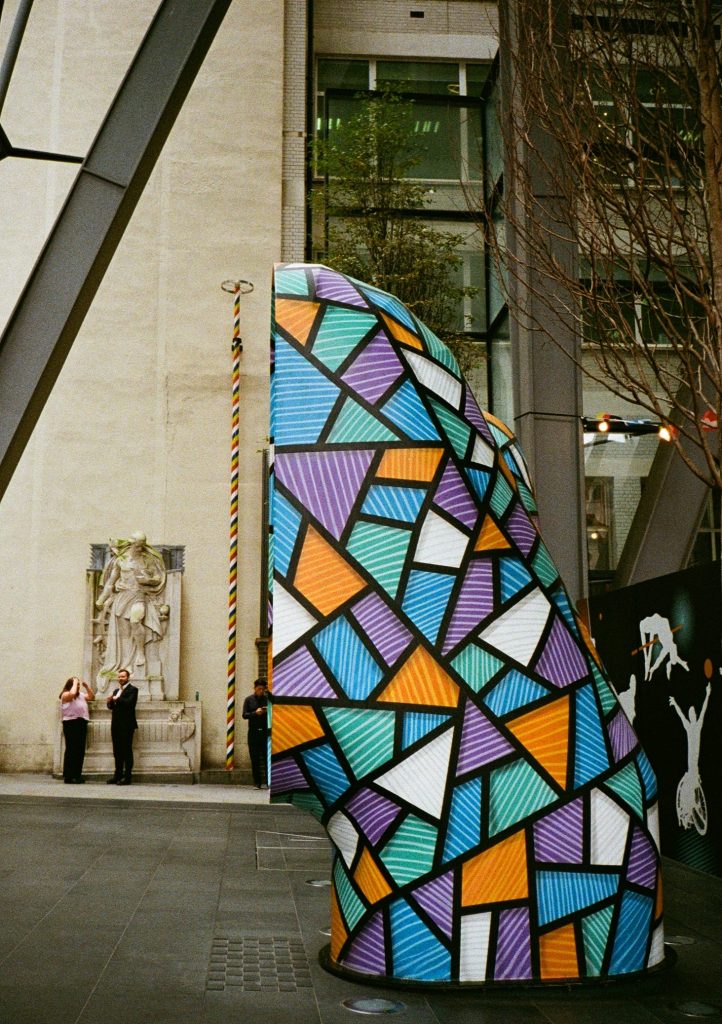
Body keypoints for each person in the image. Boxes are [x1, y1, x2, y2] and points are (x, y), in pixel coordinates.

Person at [95, 532, 167, 691]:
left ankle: (141, 653)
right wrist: (101, 598)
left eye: (142, 545)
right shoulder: (121, 561)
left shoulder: (147, 559)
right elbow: (110, 583)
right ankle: (124, 665)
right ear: (131, 544)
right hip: (122, 598)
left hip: (139, 596)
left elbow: (158, 578)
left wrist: (148, 580)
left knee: (136, 620)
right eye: (137, 545)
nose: (140, 548)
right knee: (124, 636)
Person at [59, 676, 95, 784]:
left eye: (78, 684)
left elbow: (92, 697)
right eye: (76, 684)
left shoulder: (81, 696)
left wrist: (87, 687)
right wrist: (74, 682)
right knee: (72, 749)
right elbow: (72, 694)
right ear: (70, 685)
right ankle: (69, 775)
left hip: (81, 722)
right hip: (71, 723)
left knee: (80, 750)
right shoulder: (65, 695)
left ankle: (77, 774)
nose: (78, 686)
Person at [106, 668, 139, 785]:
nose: (120, 679)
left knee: (126, 751)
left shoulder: (133, 690)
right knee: (117, 751)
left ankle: (127, 776)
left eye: (123, 677)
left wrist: (117, 699)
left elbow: (130, 703)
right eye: (119, 677)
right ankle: (117, 775)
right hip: (116, 724)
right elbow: (111, 707)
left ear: (128, 678)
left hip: (127, 725)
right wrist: (110, 701)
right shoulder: (116, 691)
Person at [242, 679, 268, 788]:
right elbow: (244, 715)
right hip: (253, 732)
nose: (261, 691)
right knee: (254, 758)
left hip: (265, 732)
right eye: (259, 689)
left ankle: (268, 781)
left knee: (267, 757)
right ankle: (257, 782)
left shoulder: (267, 700)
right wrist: (255, 713)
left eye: (262, 689)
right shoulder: (249, 700)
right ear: (255, 688)